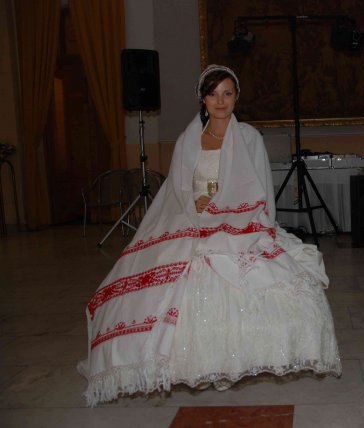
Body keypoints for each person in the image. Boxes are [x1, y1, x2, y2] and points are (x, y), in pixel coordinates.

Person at [78, 65, 341, 406]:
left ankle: (236, 358)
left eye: (227, 94)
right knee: (174, 279)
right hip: (195, 219)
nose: (220, 101)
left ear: (236, 98)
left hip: (239, 217)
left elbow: (260, 187)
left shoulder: (248, 137)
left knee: (271, 279)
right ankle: (200, 362)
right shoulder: (188, 141)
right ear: (203, 99)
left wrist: (236, 213)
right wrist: (194, 202)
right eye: (213, 94)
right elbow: (177, 189)